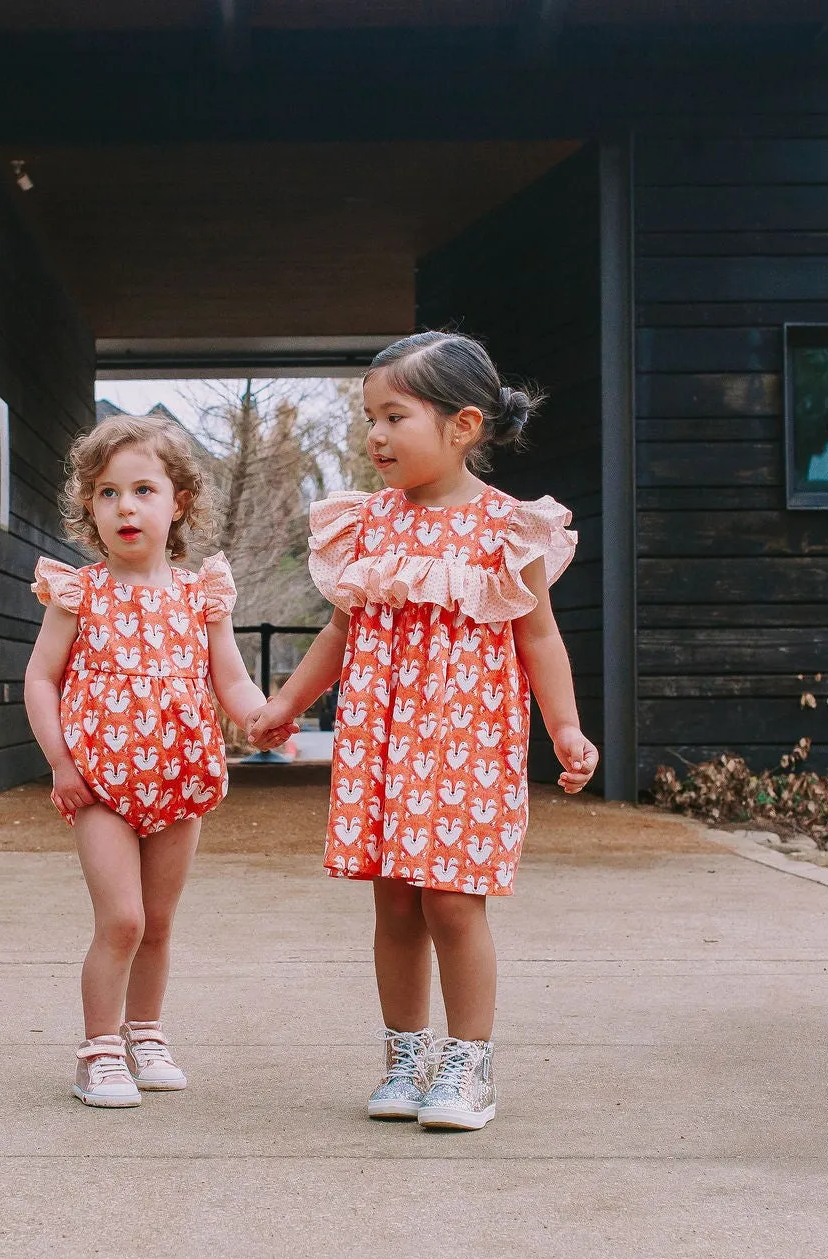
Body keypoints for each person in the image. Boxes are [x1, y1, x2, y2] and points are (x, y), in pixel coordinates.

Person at [247, 332, 599, 1131]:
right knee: (396, 903)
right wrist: (286, 702)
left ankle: (468, 1065)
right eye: (369, 417)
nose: (374, 434)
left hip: (467, 742)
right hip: (381, 738)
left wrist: (567, 727)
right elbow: (342, 633)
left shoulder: (510, 530)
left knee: (451, 902)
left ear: (463, 424)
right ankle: (405, 1056)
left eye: (393, 416)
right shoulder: (363, 526)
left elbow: (537, 636)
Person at [25, 413, 269, 1108]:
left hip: (179, 778)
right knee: (123, 921)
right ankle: (98, 1051)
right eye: (106, 493)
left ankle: (146, 1033)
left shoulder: (201, 596)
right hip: (98, 782)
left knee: (158, 923)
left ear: (178, 501)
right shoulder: (80, 593)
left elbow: (232, 680)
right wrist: (60, 762)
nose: (124, 506)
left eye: (142, 489)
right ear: (89, 507)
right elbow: (40, 679)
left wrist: (262, 716)